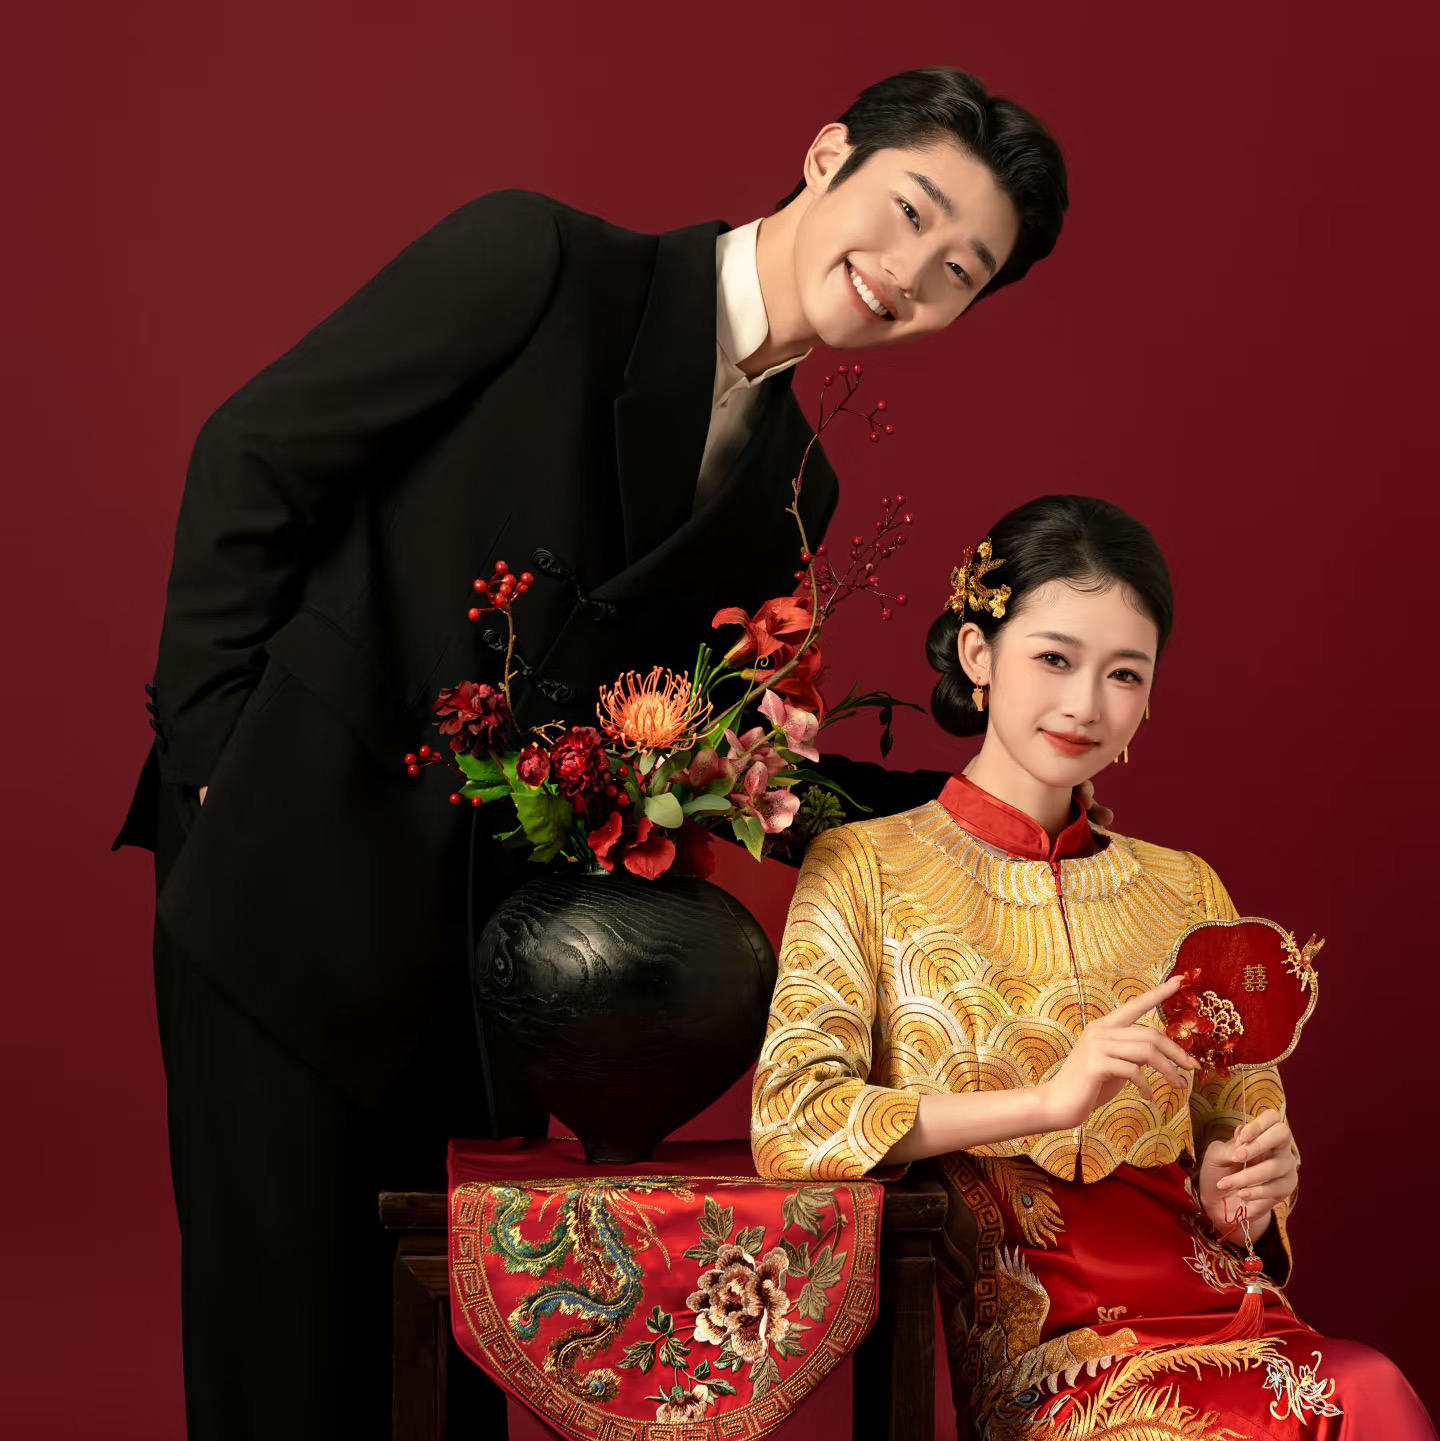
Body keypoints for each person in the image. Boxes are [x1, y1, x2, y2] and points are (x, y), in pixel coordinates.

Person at [112, 68, 1069, 1439]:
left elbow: (709, 749)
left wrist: (994, 808)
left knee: (432, 1384)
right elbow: (253, 455)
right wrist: (216, 761)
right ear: (826, 155)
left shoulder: (800, 483)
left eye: (960, 269)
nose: (910, 271)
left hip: (481, 971)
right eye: (911, 211)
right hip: (286, 867)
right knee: (283, 1361)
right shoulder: (543, 263)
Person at [752, 494, 1436, 1439]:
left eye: (1123, 673)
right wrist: (1047, 1100)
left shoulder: (1186, 887)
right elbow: (793, 1117)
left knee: (1367, 1385)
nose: (1085, 705)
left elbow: (1242, 1121)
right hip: (1055, 1353)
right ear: (978, 653)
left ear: (1149, 696)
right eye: (1054, 658)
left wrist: (1247, 1187)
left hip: (1222, 1313)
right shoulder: (865, 868)